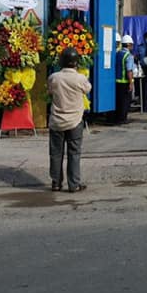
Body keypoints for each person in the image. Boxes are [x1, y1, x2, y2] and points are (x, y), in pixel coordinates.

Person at [47, 47, 91, 193]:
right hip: (75, 121)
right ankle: (74, 185)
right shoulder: (80, 78)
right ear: (76, 62)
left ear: (61, 62)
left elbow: (50, 91)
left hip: (57, 121)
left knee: (56, 153)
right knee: (74, 153)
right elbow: (87, 89)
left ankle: (56, 183)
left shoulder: (54, 77)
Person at [113, 34, 136, 125]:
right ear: (129, 45)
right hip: (125, 82)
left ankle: (117, 118)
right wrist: (131, 83)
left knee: (118, 101)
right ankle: (123, 118)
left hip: (117, 81)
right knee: (125, 102)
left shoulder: (117, 53)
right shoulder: (129, 56)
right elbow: (129, 70)